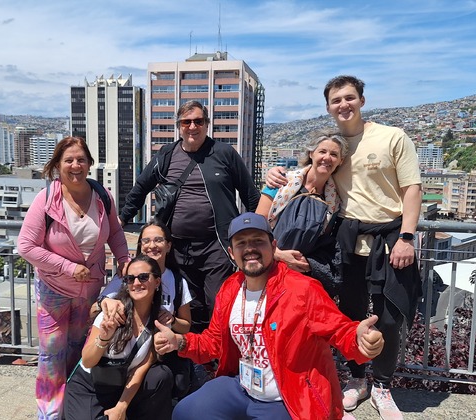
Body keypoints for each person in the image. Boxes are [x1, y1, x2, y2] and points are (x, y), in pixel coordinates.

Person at [266, 75, 422, 419]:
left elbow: (412, 188)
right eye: (336, 100)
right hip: (348, 241)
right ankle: (357, 379)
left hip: (390, 239)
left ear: (362, 100)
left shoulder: (392, 137)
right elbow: (305, 175)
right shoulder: (335, 147)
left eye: (349, 98)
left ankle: (383, 387)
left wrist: (407, 237)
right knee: (349, 315)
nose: (344, 105)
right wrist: (273, 174)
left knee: (390, 319)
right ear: (328, 107)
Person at [153, 213, 385, 420]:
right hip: (243, 387)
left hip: (287, 395)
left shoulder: (302, 289)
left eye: (258, 241)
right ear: (232, 253)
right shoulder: (230, 288)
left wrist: (361, 340)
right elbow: (214, 342)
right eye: (241, 243)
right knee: (186, 412)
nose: (250, 249)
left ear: (273, 247)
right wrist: (179, 342)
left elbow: (340, 330)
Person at [120, 100, 260, 332]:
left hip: (216, 245)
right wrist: (122, 220)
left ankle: (218, 349)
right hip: (177, 247)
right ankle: (193, 351)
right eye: (186, 122)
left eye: (198, 121)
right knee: (187, 305)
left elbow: (250, 195)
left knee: (217, 302)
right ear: (179, 126)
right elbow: (140, 188)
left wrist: (259, 233)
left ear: (207, 124)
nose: (192, 126)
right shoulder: (166, 155)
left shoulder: (224, 153)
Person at [17, 136, 131, 420]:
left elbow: (116, 233)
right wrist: (67, 267)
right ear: (58, 165)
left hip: (89, 291)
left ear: (89, 163)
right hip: (53, 290)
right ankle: (49, 415)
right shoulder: (46, 199)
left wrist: (124, 260)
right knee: (51, 356)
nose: (75, 165)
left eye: (81, 159)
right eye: (68, 160)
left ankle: (72, 408)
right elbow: (26, 246)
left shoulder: (102, 196)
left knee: (79, 352)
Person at [91, 220, 196, 397]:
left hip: (160, 353)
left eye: (158, 240)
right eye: (146, 241)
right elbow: (94, 309)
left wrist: (172, 320)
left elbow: (186, 326)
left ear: (168, 246)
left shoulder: (178, 281)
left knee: (172, 380)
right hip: (126, 352)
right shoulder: (128, 275)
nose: (152, 245)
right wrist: (105, 303)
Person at [63, 254, 172, 420]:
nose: (136, 283)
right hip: (90, 386)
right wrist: (104, 338)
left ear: (157, 282)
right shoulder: (112, 313)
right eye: (130, 279)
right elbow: (87, 361)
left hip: (120, 387)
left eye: (143, 277)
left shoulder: (160, 321)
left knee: (160, 375)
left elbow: (141, 367)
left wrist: (121, 407)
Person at [255, 129, 348, 296]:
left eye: (334, 154)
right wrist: (278, 254)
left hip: (299, 276)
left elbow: (320, 240)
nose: (327, 158)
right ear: (311, 153)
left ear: (340, 161)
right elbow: (256, 226)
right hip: (267, 266)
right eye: (322, 151)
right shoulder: (281, 182)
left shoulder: (333, 202)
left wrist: (305, 263)